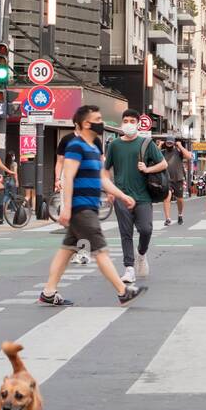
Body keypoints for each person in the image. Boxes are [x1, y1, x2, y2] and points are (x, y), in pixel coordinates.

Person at [38, 105, 144, 307]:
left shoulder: (94, 147)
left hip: (88, 207)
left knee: (67, 249)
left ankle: (49, 292)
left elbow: (101, 178)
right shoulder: (76, 146)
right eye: (97, 118)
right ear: (86, 123)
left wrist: (122, 195)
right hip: (81, 209)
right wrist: (67, 207)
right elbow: (67, 176)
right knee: (101, 251)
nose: (101, 122)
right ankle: (123, 292)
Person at [103, 109, 167, 285]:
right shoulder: (114, 145)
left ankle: (141, 253)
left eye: (132, 120)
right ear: (122, 122)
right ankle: (129, 268)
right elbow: (106, 168)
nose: (129, 123)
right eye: (126, 120)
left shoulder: (146, 143)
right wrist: (110, 191)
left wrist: (147, 169)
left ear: (138, 123)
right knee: (126, 233)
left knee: (146, 229)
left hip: (143, 196)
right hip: (121, 195)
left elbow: (163, 163)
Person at [56, 129, 102, 265]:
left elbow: (101, 161)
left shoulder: (95, 139)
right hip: (69, 182)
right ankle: (79, 252)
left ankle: (82, 252)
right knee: (75, 223)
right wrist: (58, 179)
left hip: (88, 184)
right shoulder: (67, 139)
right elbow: (60, 161)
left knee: (82, 221)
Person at [161, 137, 192, 226]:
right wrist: (159, 145)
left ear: (174, 143)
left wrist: (180, 146)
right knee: (167, 197)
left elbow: (189, 156)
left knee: (180, 199)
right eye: (168, 143)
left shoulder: (178, 152)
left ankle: (180, 214)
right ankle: (167, 218)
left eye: (171, 143)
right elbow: (154, 155)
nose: (169, 145)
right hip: (166, 179)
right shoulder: (162, 152)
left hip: (178, 179)